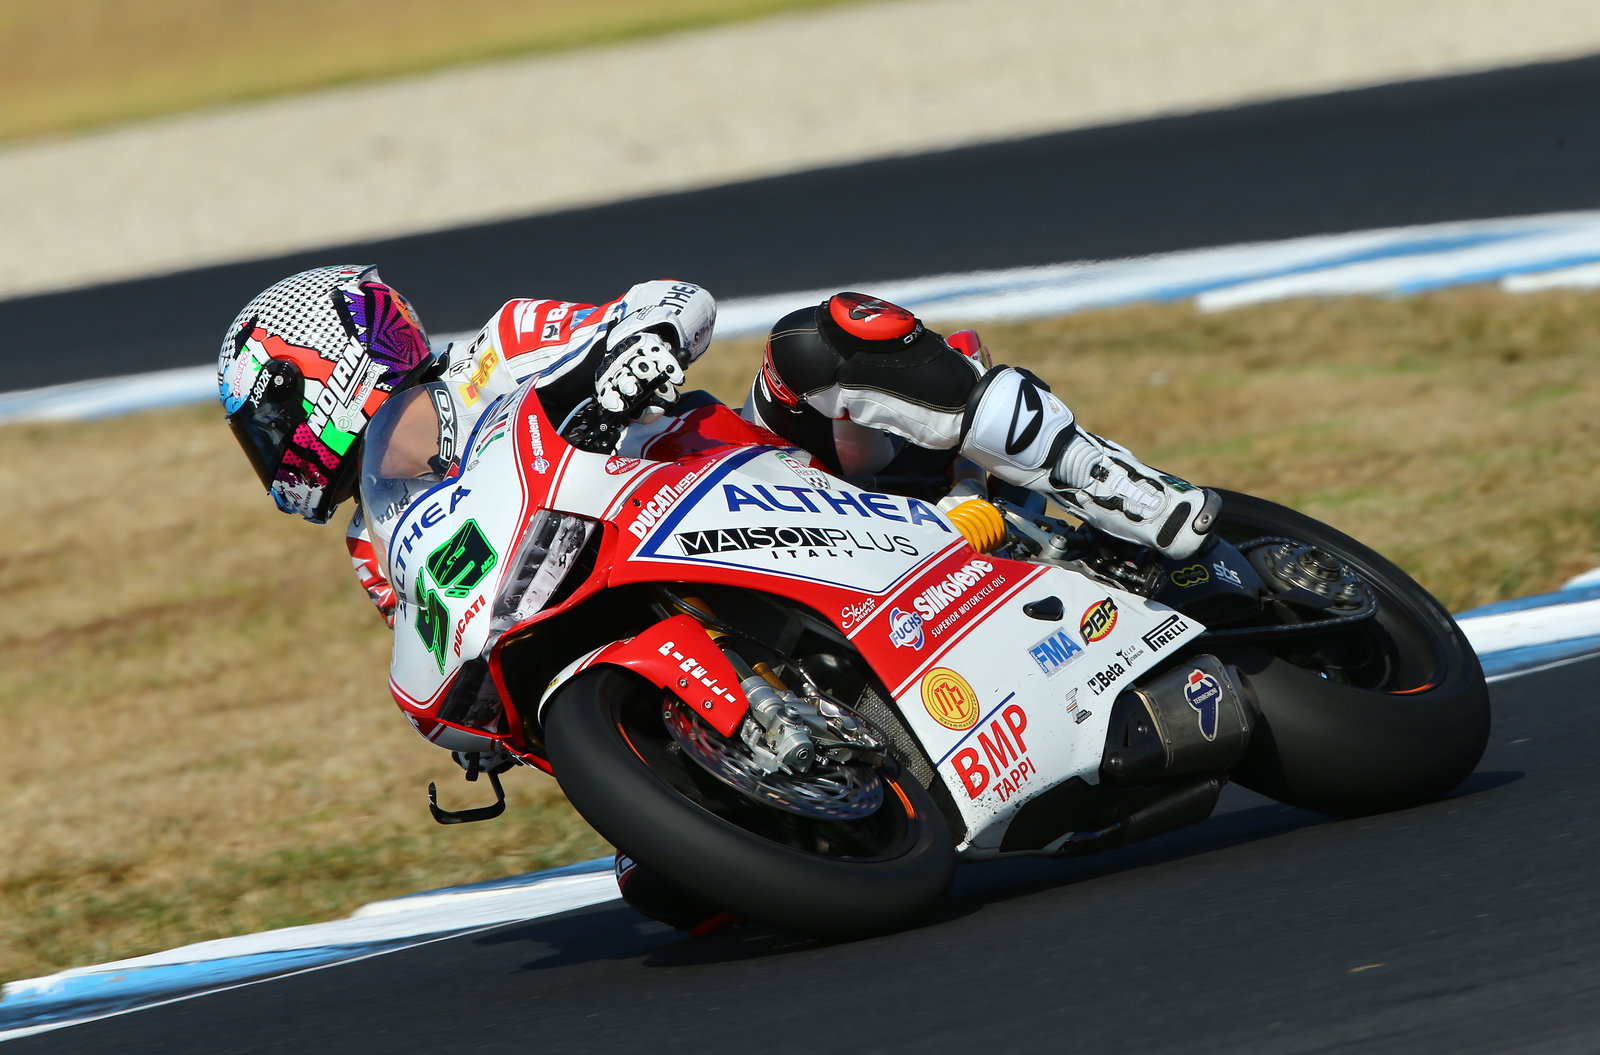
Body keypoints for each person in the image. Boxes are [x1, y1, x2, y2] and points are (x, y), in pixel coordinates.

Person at [217, 264, 1217, 934]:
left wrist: (639, 344)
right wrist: (477, 726)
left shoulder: (501, 348)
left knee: (824, 341)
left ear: (326, 366)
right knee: (666, 890)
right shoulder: (370, 538)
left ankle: (1106, 481)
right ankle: (833, 759)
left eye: (267, 414)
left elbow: (673, 300)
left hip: (775, 479)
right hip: (633, 592)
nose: (269, 448)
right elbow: (434, 628)